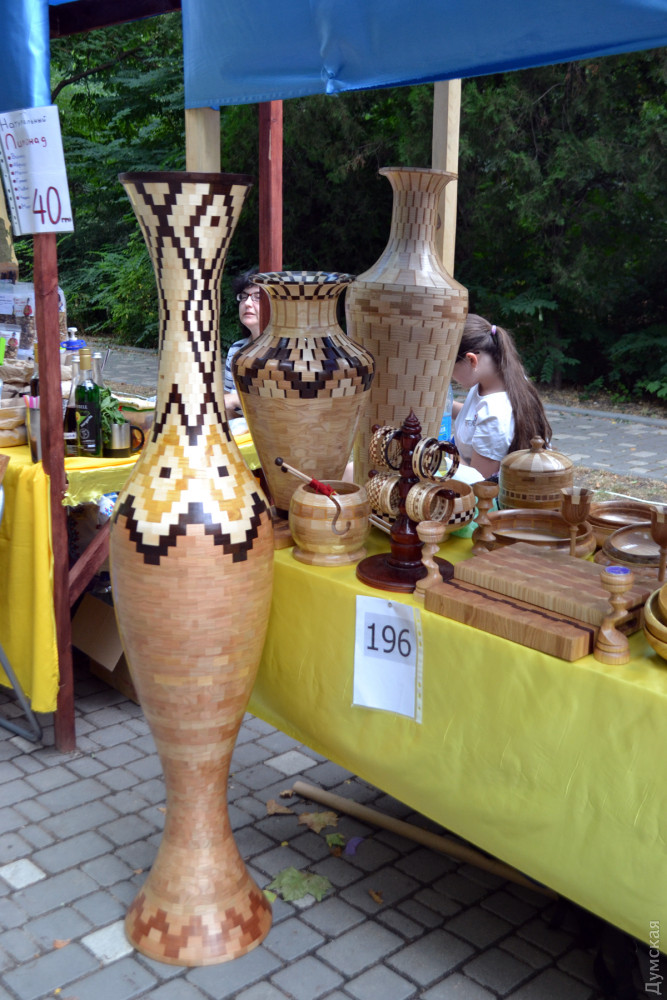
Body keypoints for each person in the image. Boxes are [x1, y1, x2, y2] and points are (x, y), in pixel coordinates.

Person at [451, 314, 552, 480]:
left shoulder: (495, 415)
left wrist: (442, 454)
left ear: (471, 360)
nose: (449, 376)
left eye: (450, 368)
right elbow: (475, 418)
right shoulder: (495, 381)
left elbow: (478, 483)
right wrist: (446, 406)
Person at [224, 269, 263, 419]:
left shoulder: (291, 351)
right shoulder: (236, 350)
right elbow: (229, 409)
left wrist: (236, 399)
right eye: (244, 296)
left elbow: (291, 403)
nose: (247, 303)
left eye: (258, 297)